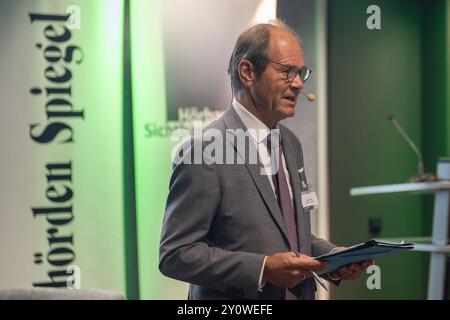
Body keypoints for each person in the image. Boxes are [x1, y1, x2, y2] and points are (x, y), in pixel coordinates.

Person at [159, 20, 371, 300]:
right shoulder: (204, 150)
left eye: (300, 73)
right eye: (286, 72)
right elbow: (175, 254)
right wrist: (262, 269)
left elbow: (292, 238)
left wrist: (333, 258)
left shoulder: (290, 143)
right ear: (247, 72)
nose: (297, 84)